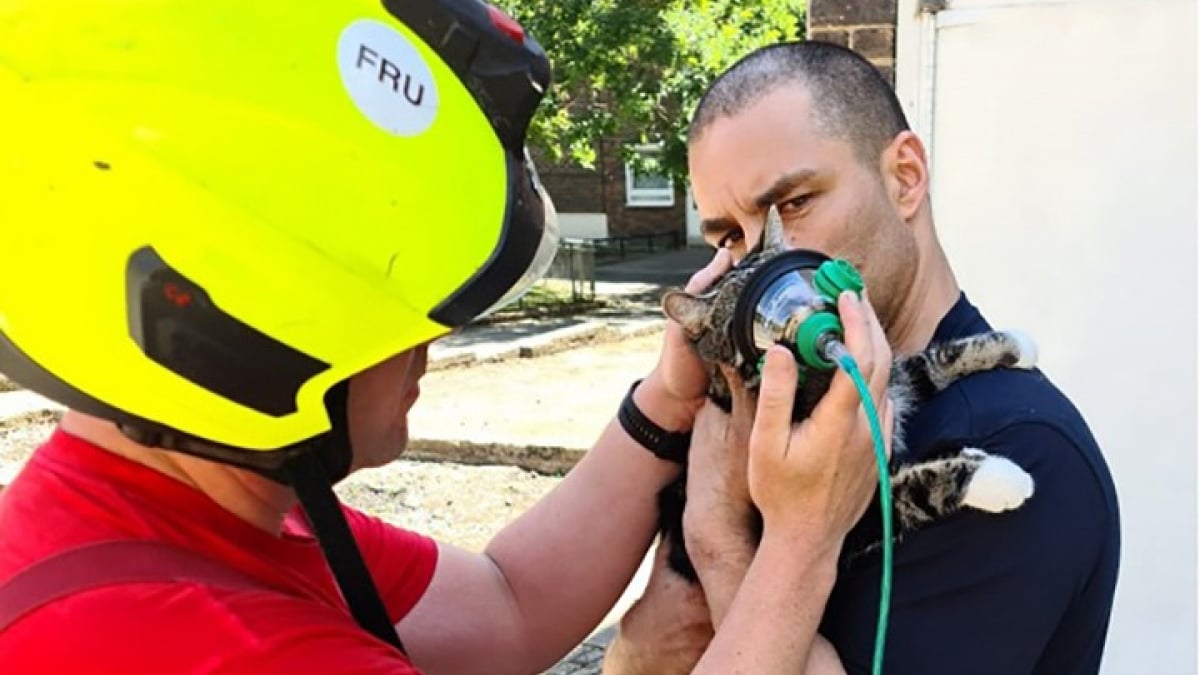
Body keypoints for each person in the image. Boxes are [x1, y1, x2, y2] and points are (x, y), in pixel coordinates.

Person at [0, 5, 896, 674]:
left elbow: (508, 604)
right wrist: (798, 542)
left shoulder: (195, 510)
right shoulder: (214, 646)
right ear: (244, 342)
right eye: (405, 317)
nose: (430, 350)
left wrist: (669, 398)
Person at [603, 40, 1121, 675]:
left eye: (793, 205)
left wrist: (720, 545)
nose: (767, 263)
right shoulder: (767, 408)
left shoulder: (1016, 445)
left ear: (904, 178)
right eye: (733, 238)